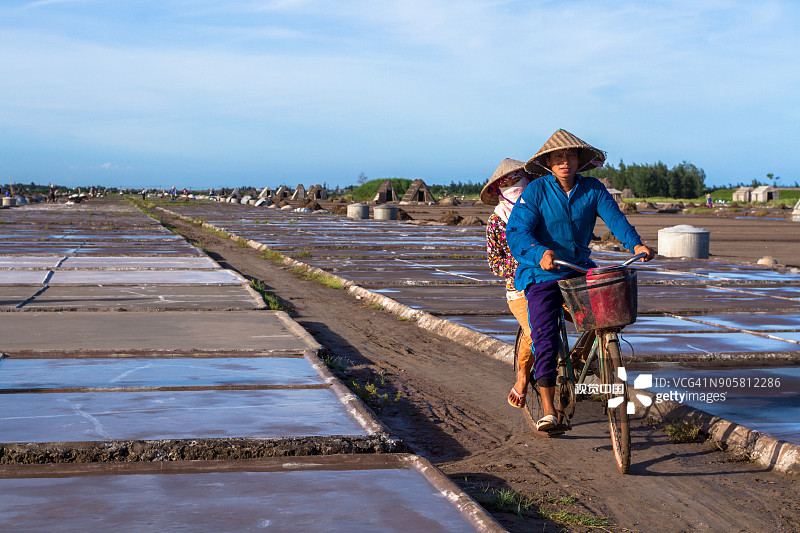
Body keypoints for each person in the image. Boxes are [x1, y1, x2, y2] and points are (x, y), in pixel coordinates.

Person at [506, 129, 654, 432]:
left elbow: (616, 220)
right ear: (548, 161)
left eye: (570, 155)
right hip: (542, 272)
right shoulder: (535, 192)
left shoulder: (593, 189)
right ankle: (550, 410)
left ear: (579, 160)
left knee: (606, 318)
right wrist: (538, 253)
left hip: (578, 269)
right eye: (558, 156)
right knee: (544, 336)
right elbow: (516, 232)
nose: (564, 161)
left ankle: (593, 363)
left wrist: (636, 244)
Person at [480, 159, 536, 408]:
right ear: (499, 190)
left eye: (519, 180)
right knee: (535, 331)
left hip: (551, 278)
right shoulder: (496, 222)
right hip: (519, 288)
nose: (516, 187)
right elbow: (495, 263)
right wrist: (525, 264)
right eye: (509, 183)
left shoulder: (541, 211)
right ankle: (522, 378)